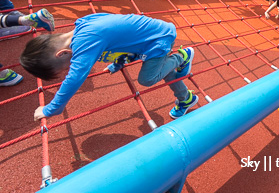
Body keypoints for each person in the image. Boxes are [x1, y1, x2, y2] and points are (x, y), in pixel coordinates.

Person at [20, 13, 198, 120]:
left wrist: (52, 109)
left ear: (62, 54)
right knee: (162, 69)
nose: (70, 69)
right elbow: (120, 38)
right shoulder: (81, 26)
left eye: (65, 68)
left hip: (158, 39)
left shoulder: (84, 42)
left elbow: (75, 77)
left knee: (148, 78)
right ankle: (186, 99)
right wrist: (118, 63)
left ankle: (182, 56)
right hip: (149, 37)